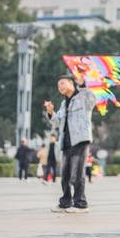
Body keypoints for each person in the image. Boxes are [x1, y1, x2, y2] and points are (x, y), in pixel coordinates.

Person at [44, 73, 97, 213]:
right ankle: (65, 202)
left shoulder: (82, 97)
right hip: (66, 141)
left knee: (77, 174)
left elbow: (93, 100)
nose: (60, 87)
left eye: (62, 83)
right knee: (65, 175)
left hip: (80, 140)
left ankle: (81, 203)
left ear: (71, 83)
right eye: (58, 85)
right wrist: (50, 112)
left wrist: (83, 85)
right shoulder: (64, 103)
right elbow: (57, 122)